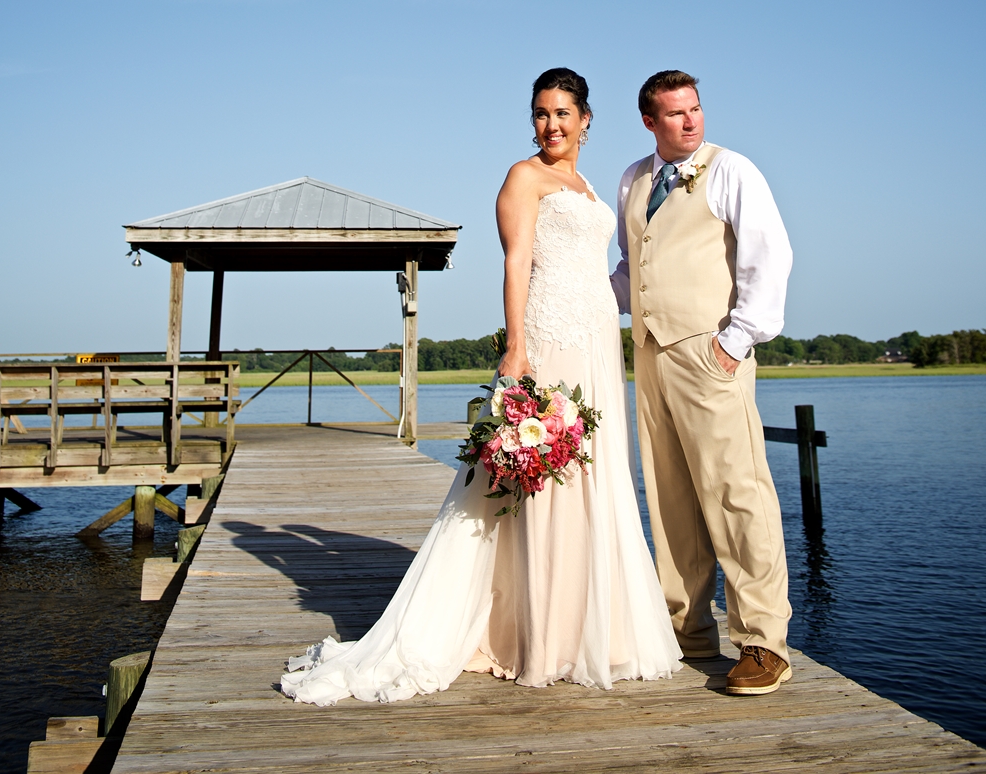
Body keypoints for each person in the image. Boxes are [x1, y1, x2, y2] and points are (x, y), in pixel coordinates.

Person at [281, 68, 680, 706]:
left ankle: (594, 626)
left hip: (600, 339)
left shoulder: (585, 183)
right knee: (546, 475)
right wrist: (517, 347)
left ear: (586, 120)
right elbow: (516, 260)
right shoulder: (523, 178)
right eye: (541, 114)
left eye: (563, 113)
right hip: (550, 336)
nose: (551, 125)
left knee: (594, 473)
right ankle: (539, 634)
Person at [611, 69, 794, 695]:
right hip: (650, 355)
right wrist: (566, 301)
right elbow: (631, 270)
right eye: (675, 114)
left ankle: (763, 642)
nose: (691, 122)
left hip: (711, 350)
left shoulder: (731, 169)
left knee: (737, 492)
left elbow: (769, 258)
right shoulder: (632, 180)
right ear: (649, 122)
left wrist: (734, 342)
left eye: (696, 109)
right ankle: (686, 631)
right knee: (668, 497)